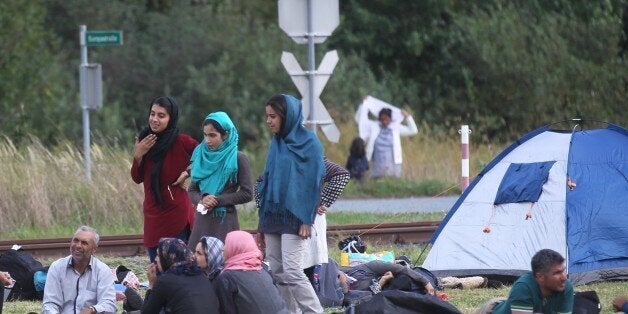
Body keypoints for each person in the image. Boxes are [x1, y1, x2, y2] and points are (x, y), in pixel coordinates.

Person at [255, 94, 325, 313]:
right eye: (267, 116)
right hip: (273, 216)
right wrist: (261, 226)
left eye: (273, 116)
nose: (269, 121)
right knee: (277, 270)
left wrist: (307, 218)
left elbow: (313, 183)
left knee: (293, 271)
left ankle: (314, 311)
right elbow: (267, 182)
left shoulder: (310, 143)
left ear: (288, 116)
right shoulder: (276, 143)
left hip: (296, 217)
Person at [131, 96, 198, 263]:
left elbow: (206, 157)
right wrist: (138, 155)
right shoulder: (145, 140)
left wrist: (188, 172)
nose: (154, 119)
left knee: (177, 268)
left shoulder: (181, 141)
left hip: (176, 214)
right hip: (153, 212)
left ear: (171, 118)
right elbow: (137, 177)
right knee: (157, 266)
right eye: (152, 114)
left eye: (161, 116)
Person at [187, 111, 253, 247]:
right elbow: (192, 190)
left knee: (224, 264)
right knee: (198, 263)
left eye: (212, 135)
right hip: (202, 222)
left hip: (225, 224)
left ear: (225, 135)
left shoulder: (238, 158)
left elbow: (247, 193)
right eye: (205, 135)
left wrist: (218, 200)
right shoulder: (201, 156)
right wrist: (203, 198)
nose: (207, 140)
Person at [42, 225, 117, 314]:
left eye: (84, 243)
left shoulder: (103, 270)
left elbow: (109, 304)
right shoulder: (57, 267)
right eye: (75, 240)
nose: (78, 245)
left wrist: (93, 309)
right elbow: (50, 304)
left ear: (94, 249)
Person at [214, 230, 288, 314]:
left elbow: (227, 310)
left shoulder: (227, 277)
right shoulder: (262, 269)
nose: (223, 248)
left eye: (227, 244)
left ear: (235, 248)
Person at [302, 158, 350, 285]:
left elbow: (341, 175)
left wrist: (319, 201)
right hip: (292, 218)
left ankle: (309, 300)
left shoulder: (313, 157)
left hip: (310, 218)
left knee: (307, 263)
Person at [483, 249, 574, 314]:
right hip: (490, 311)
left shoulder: (566, 286)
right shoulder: (523, 287)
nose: (564, 277)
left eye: (563, 270)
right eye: (557, 273)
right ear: (540, 277)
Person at [141, 238, 219, 314]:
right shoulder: (201, 275)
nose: (155, 259)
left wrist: (151, 285)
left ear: (169, 257)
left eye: (158, 255)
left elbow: (146, 312)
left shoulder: (165, 280)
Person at [361, 107, 417, 179]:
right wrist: (364, 106)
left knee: (392, 181)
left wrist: (408, 117)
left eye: (386, 119)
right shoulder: (374, 126)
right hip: (377, 163)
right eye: (382, 119)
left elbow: (413, 131)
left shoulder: (396, 128)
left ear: (390, 119)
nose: (384, 122)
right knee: (377, 181)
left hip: (393, 163)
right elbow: (361, 121)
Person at [338, 260, 435, 296]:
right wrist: (382, 281)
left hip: (417, 279)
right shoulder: (337, 287)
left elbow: (401, 269)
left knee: (406, 279)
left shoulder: (369, 267)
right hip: (386, 291)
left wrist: (426, 282)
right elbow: (368, 297)